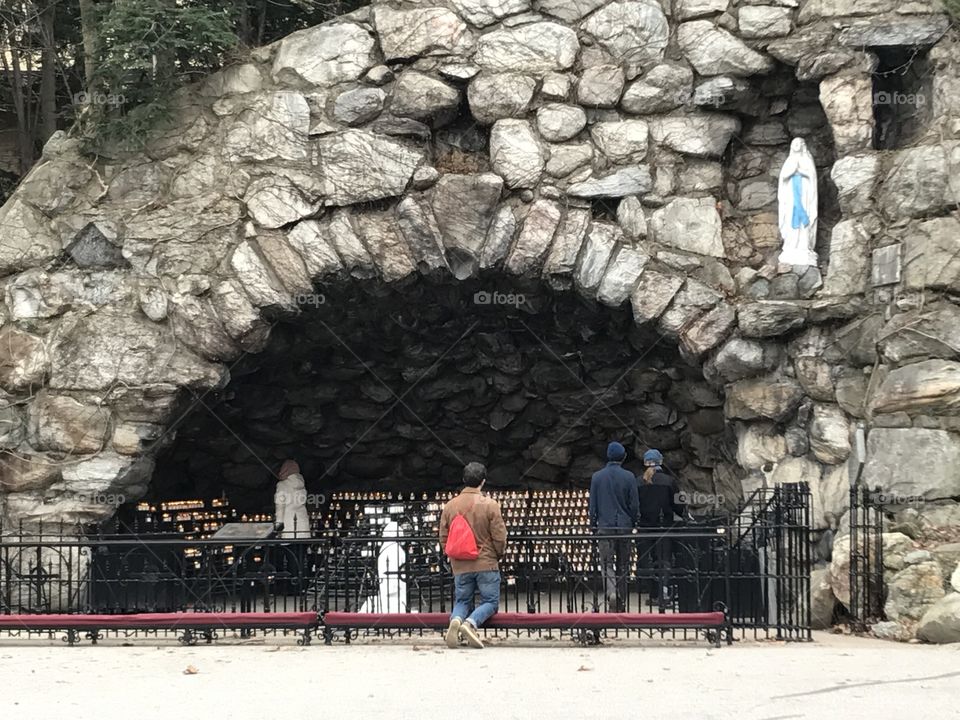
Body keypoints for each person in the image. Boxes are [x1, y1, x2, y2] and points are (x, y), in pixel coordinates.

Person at [439, 462, 507, 649]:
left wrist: (452, 556)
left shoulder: (450, 506)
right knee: (490, 602)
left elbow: (443, 536)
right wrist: (497, 554)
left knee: (462, 600)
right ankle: (470, 623)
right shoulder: (490, 505)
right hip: (486, 562)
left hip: (460, 564)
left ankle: (456, 620)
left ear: (463, 480)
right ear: (483, 482)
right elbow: (499, 536)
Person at [588, 441, 639, 613]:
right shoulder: (629, 477)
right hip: (624, 526)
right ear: (623, 457)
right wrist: (632, 521)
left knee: (606, 563)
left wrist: (592, 525)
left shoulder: (597, 477)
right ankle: (621, 599)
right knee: (624, 564)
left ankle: (611, 592)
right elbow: (634, 505)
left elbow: (593, 506)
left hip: (605, 526)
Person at [637, 449, 684, 603]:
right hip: (665, 526)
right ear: (660, 462)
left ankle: (653, 593)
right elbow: (679, 504)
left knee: (648, 560)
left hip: (645, 526)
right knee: (664, 559)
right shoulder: (669, 481)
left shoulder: (639, 481)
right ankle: (664, 592)